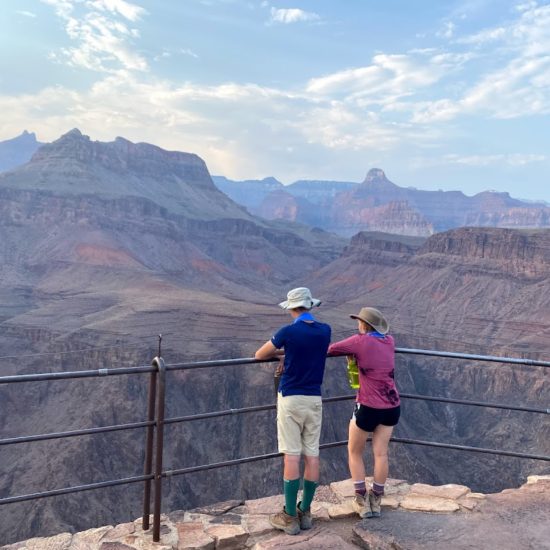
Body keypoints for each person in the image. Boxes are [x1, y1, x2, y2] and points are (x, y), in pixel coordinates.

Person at [255, 287, 331, 535]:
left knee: (291, 455)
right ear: (310, 306)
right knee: (312, 455)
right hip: (314, 399)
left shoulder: (288, 331)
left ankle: (289, 516)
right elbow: (311, 351)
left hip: (291, 398)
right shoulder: (325, 330)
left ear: (291, 308)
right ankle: (305, 511)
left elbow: (259, 354)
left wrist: (283, 353)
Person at [327, 307, 400, 519]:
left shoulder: (360, 341)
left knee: (354, 451)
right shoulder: (390, 341)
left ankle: (361, 499)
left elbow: (331, 349)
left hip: (368, 406)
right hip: (392, 405)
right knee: (381, 454)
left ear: (363, 324)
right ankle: (376, 500)